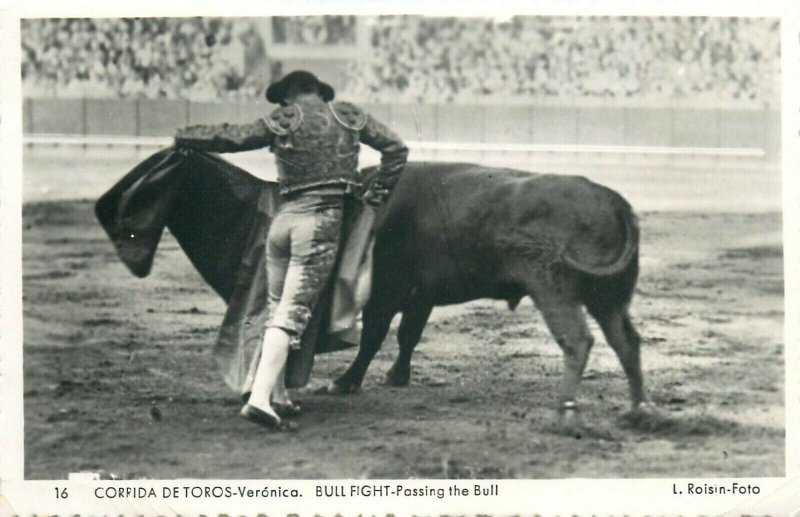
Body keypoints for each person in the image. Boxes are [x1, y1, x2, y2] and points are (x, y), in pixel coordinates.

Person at [174, 70, 408, 430]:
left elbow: (233, 138)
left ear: (287, 97)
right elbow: (396, 148)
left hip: (281, 224)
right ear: (320, 91)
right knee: (292, 313)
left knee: (276, 309)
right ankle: (259, 399)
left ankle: (278, 393)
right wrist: (376, 195)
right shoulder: (347, 115)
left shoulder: (283, 118)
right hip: (320, 225)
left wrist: (186, 137)